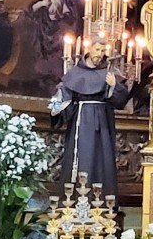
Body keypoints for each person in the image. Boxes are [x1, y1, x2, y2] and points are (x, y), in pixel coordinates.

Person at [49, 39, 131, 200]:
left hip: (103, 123)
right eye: (97, 50)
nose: (100, 54)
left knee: (102, 159)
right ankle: (73, 203)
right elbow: (65, 94)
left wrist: (114, 86)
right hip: (81, 122)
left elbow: (120, 100)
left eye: (102, 51)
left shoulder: (108, 73)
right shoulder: (75, 73)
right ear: (89, 49)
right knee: (82, 158)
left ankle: (102, 204)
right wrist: (57, 105)